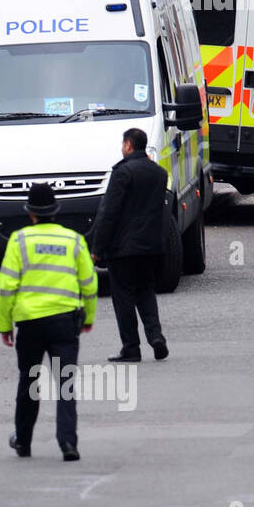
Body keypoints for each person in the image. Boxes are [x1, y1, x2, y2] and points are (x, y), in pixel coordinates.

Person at [0, 183, 96, 462]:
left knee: (28, 381)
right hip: (65, 322)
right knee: (65, 384)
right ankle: (68, 444)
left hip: (29, 324)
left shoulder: (18, 241)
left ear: (30, 213)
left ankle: (23, 441)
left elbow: (6, 287)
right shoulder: (74, 241)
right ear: (56, 211)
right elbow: (88, 283)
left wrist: (5, 325)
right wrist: (88, 316)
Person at [91, 128, 170, 363]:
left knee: (123, 296)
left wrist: (97, 248)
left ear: (128, 145)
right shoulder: (159, 173)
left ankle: (131, 347)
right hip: (152, 245)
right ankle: (156, 336)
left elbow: (109, 213)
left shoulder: (122, 172)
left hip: (124, 247)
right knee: (145, 290)